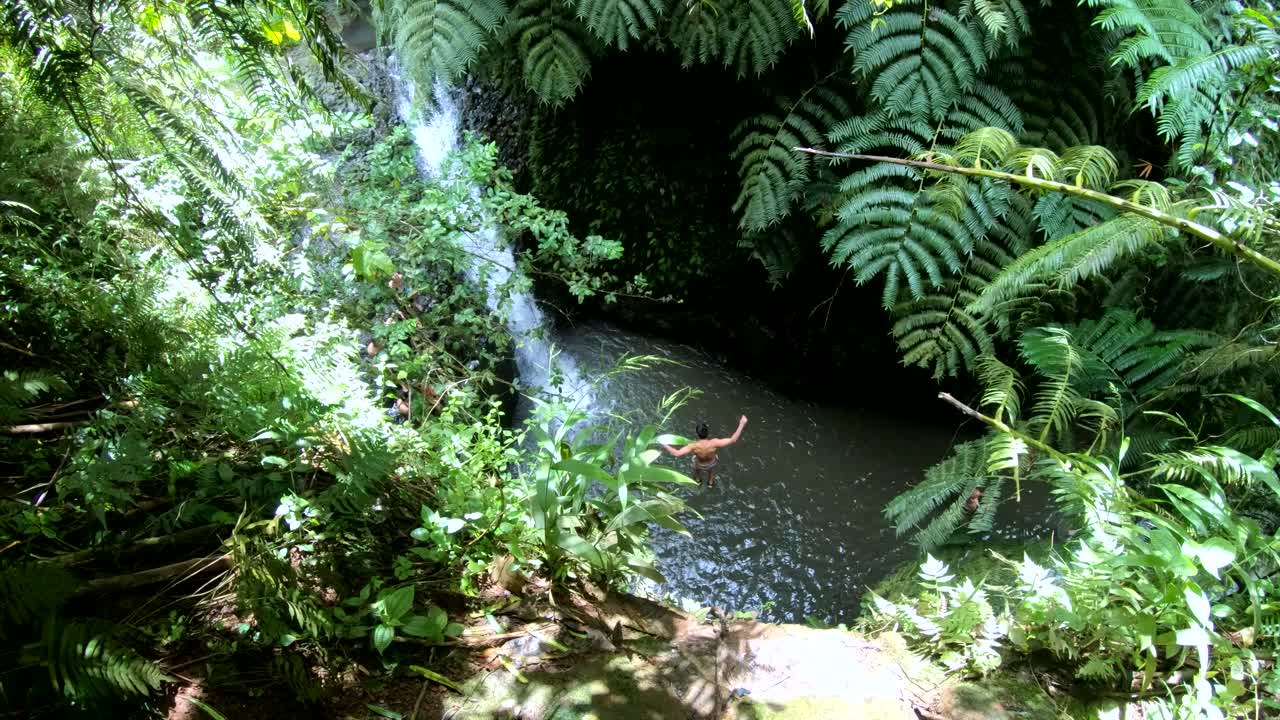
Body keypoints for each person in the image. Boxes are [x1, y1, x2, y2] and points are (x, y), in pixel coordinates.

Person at [659, 415, 748, 488]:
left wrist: (663, 443)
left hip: (699, 465)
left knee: (697, 475)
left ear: (697, 433)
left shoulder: (693, 446)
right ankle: (710, 484)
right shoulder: (714, 443)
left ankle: (698, 482)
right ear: (707, 432)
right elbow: (733, 439)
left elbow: (676, 453)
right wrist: (742, 423)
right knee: (711, 474)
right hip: (712, 463)